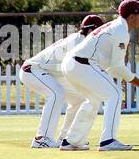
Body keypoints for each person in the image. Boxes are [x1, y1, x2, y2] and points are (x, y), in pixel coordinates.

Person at [59, 0, 139, 151]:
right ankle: (108, 141)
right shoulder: (120, 30)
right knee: (115, 94)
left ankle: (72, 140)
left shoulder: (116, 26)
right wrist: (138, 82)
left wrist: (130, 79)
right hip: (82, 63)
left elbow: (112, 66)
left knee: (93, 100)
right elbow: (117, 65)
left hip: (73, 63)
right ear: (131, 17)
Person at [19, 14, 104, 148]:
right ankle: (42, 138)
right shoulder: (79, 42)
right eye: (99, 32)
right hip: (32, 70)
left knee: (80, 99)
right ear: (90, 30)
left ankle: (67, 138)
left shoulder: (84, 42)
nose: (100, 36)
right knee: (56, 93)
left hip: (50, 73)